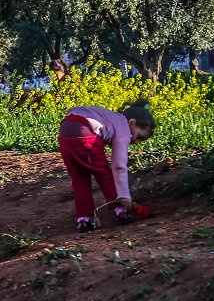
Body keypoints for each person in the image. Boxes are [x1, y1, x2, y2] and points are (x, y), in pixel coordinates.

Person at [57, 99, 155, 232]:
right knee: (103, 173)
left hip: (64, 133)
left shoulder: (111, 117)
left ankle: (83, 220)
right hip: (85, 134)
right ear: (132, 122)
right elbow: (119, 166)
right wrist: (124, 195)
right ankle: (121, 210)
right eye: (139, 137)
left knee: (79, 178)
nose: (136, 142)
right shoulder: (124, 128)